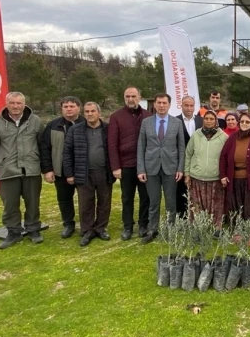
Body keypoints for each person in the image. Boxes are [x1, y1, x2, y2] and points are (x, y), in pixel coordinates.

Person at [0, 92, 44, 249]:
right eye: (12, 103)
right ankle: (13, 232)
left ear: (24, 104)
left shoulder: (35, 121)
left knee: (33, 202)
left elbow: (43, 144)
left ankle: (33, 229)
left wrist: (46, 168)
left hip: (31, 169)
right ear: (7, 104)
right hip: (7, 170)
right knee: (10, 204)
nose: (15, 106)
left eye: (18, 103)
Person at [63, 102, 115, 247]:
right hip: (83, 172)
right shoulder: (75, 130)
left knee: (104, 202)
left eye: (93, 111)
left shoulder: (107, 129)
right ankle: (87, 230)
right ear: (83, 113)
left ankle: (100, 228)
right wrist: (69, 174)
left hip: (104, 171)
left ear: (99, 113)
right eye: (87, 111)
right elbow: (67, 152)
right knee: (86, 202)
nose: (90, 114)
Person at [137, 93, 185, 244]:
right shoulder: (146, 122)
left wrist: (180, 168)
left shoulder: (176, 123)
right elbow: (141, 146)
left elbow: (181, 147)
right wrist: (141, 169)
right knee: (153, 201)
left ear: (169, 105)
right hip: (151, 168)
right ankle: (152, 229)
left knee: (171, 202)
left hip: (171, 168)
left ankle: (171, 229)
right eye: (159, 103)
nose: (162, 105)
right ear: (155, 104)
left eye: (164, 103)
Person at [108, 86, 151, 241]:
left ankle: (143, 224)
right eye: (127, 96)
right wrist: (115, 166)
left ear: (139, 97)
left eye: (133, 96)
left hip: (145, 165)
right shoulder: (116, 117)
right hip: (125, 165)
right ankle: (127, 226)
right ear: (124, 98)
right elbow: (112, 144)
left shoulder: (148, 116)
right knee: (127, 197)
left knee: (145, 197)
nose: (130, 99)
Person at [40, 95, 84, 239]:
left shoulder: (86, 123)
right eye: (66, 107)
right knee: (64, 199)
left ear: (79, 107)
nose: (69, 109)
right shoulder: (53, 126)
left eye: (72, 106)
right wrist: (47, 169)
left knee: (86, 199)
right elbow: (45, 148)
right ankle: (68, 224)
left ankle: (86, 224)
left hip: (82, 169)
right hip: (61, 170)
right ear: (62, 109)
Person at [184, 110, 228, 229]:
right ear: (203, 120)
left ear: (216, 121)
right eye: (206, 118)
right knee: (197, 205)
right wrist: (187, 174)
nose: (209, 121)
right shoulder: (196, 135)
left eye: (211, 119)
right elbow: (188, 154)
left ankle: (216, 228)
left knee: (216, 205)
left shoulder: (223, 136)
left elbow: (227, 157)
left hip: (216, 177)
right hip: (197, 177)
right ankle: (198, 227)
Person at [176, 95, 203, 219]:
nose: (188, 108)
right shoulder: (175, 121)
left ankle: (197, 216)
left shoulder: (201, 121)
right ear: (181, 106)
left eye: (191, 105)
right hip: (180, 162)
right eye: (186, 105)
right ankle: (182, 217)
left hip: (199, 162)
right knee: (181, 191)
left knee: (197, 191)